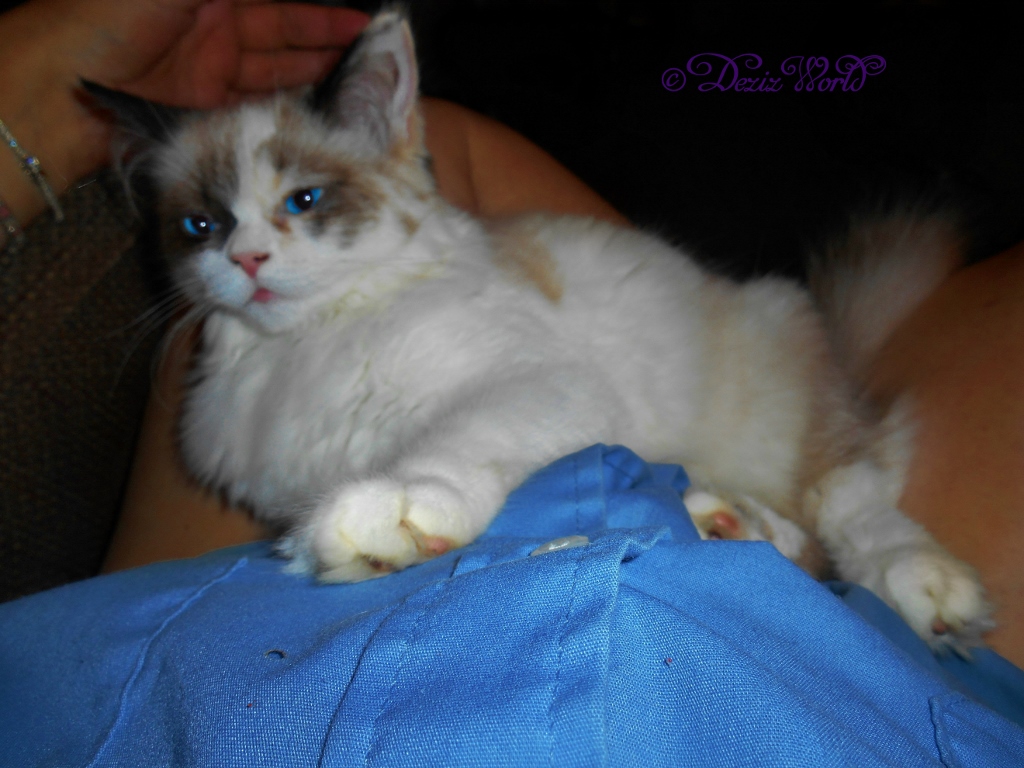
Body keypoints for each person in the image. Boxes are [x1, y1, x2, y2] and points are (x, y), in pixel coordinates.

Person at [1, 0, 1022, 763]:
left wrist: (442, 485)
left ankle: (861, 528)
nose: (248, 252)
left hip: (721, 392)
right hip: (628, 532)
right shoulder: (222, 397)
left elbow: (555, 400)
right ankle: (768, 542)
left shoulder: (425, 288)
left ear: (390, 158)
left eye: (302, 201)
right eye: (204, 225)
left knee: (776, 326)